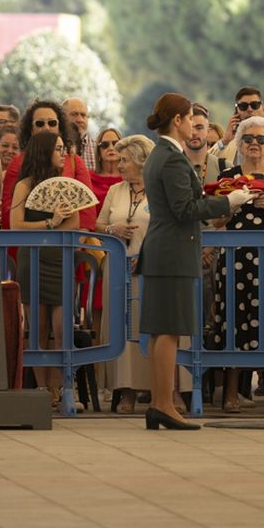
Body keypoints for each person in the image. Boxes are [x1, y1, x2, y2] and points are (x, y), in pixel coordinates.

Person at [139, 93, 247, 430]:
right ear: (177, 120)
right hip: (173, 251)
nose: (192, 124)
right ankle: (163, 404)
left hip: (165, 249)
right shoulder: (172, 158)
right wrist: (229, 201)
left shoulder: (163, 154)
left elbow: (184, 200)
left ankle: (159, 403)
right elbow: (184, 209)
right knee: (169, 330)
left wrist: (215, 195)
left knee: (162, 330)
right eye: (189, 118)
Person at [208, 115, 264, 414]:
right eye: (248, 139)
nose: (254, 144)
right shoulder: (228, 176)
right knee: (233, 319)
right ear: (239, 144)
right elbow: (215, 221)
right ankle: (231, 391)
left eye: (261, 139)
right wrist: (233, 204)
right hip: (235, 260)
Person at [94, 134, 177, 413]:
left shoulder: (159, 188)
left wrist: (146, 252)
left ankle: (160, 392)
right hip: (118, 269)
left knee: (151, 329)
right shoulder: (115, 191)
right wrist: (112, 230)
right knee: (122, 329)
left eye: (125, 160)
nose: (119, 164)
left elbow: (168, 226)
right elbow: (98, 224)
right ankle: (126, 391)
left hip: (151, 268)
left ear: (141, 162)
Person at [9, 131, 81, 411]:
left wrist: (59, 222)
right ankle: (42, 389)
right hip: (33, 259)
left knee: (62, 328)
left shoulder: (64, 184)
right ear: (44, 151)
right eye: (59, 149)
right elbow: (16, 225)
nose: (64, 154)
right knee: (37, 329)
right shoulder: (25, 185)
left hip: (60, 259)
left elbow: (74, 224)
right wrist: (51, 223)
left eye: (65, 148)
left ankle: (64, 388)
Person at [0, 100, 96, 231]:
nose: (46, 127)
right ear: (30, 129)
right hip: (29, 241)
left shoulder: (72, 167)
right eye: (40, 123)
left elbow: (83, 215)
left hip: (65, 241)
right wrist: (51, 224)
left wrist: (53, 237)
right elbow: (11, 219)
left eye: (52, 123)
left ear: (60, 127)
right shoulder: (20, 174)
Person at [215, 86, 264, 170]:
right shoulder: (227, 144)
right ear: (236, 112)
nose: (249, 109)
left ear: (263, 109)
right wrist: (224, 141)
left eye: (254, 105)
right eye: (243, 106)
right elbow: (205, 164)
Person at [89, 127, 124, 207]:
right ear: (98, 151)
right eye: (104, 145)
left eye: (116, 144)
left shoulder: (130, 178)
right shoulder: (88, 178)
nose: (111, 148)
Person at [64, 97, 96, 171]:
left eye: (83, 115)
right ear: (62, 117)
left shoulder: (98, 149)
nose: (80, 120)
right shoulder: (55, 148)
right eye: (74, 114)